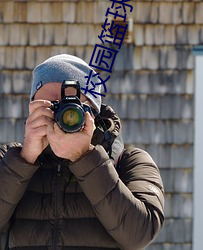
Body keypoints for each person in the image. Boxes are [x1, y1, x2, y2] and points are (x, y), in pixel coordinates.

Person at [0, 54, 164, 250]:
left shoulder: (130, 162)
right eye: (49, 106)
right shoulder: (9, 160)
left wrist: (85, 158)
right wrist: (24, 160)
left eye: (70, 107)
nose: (59, 116)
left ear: (93, 111)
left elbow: (139, 235)